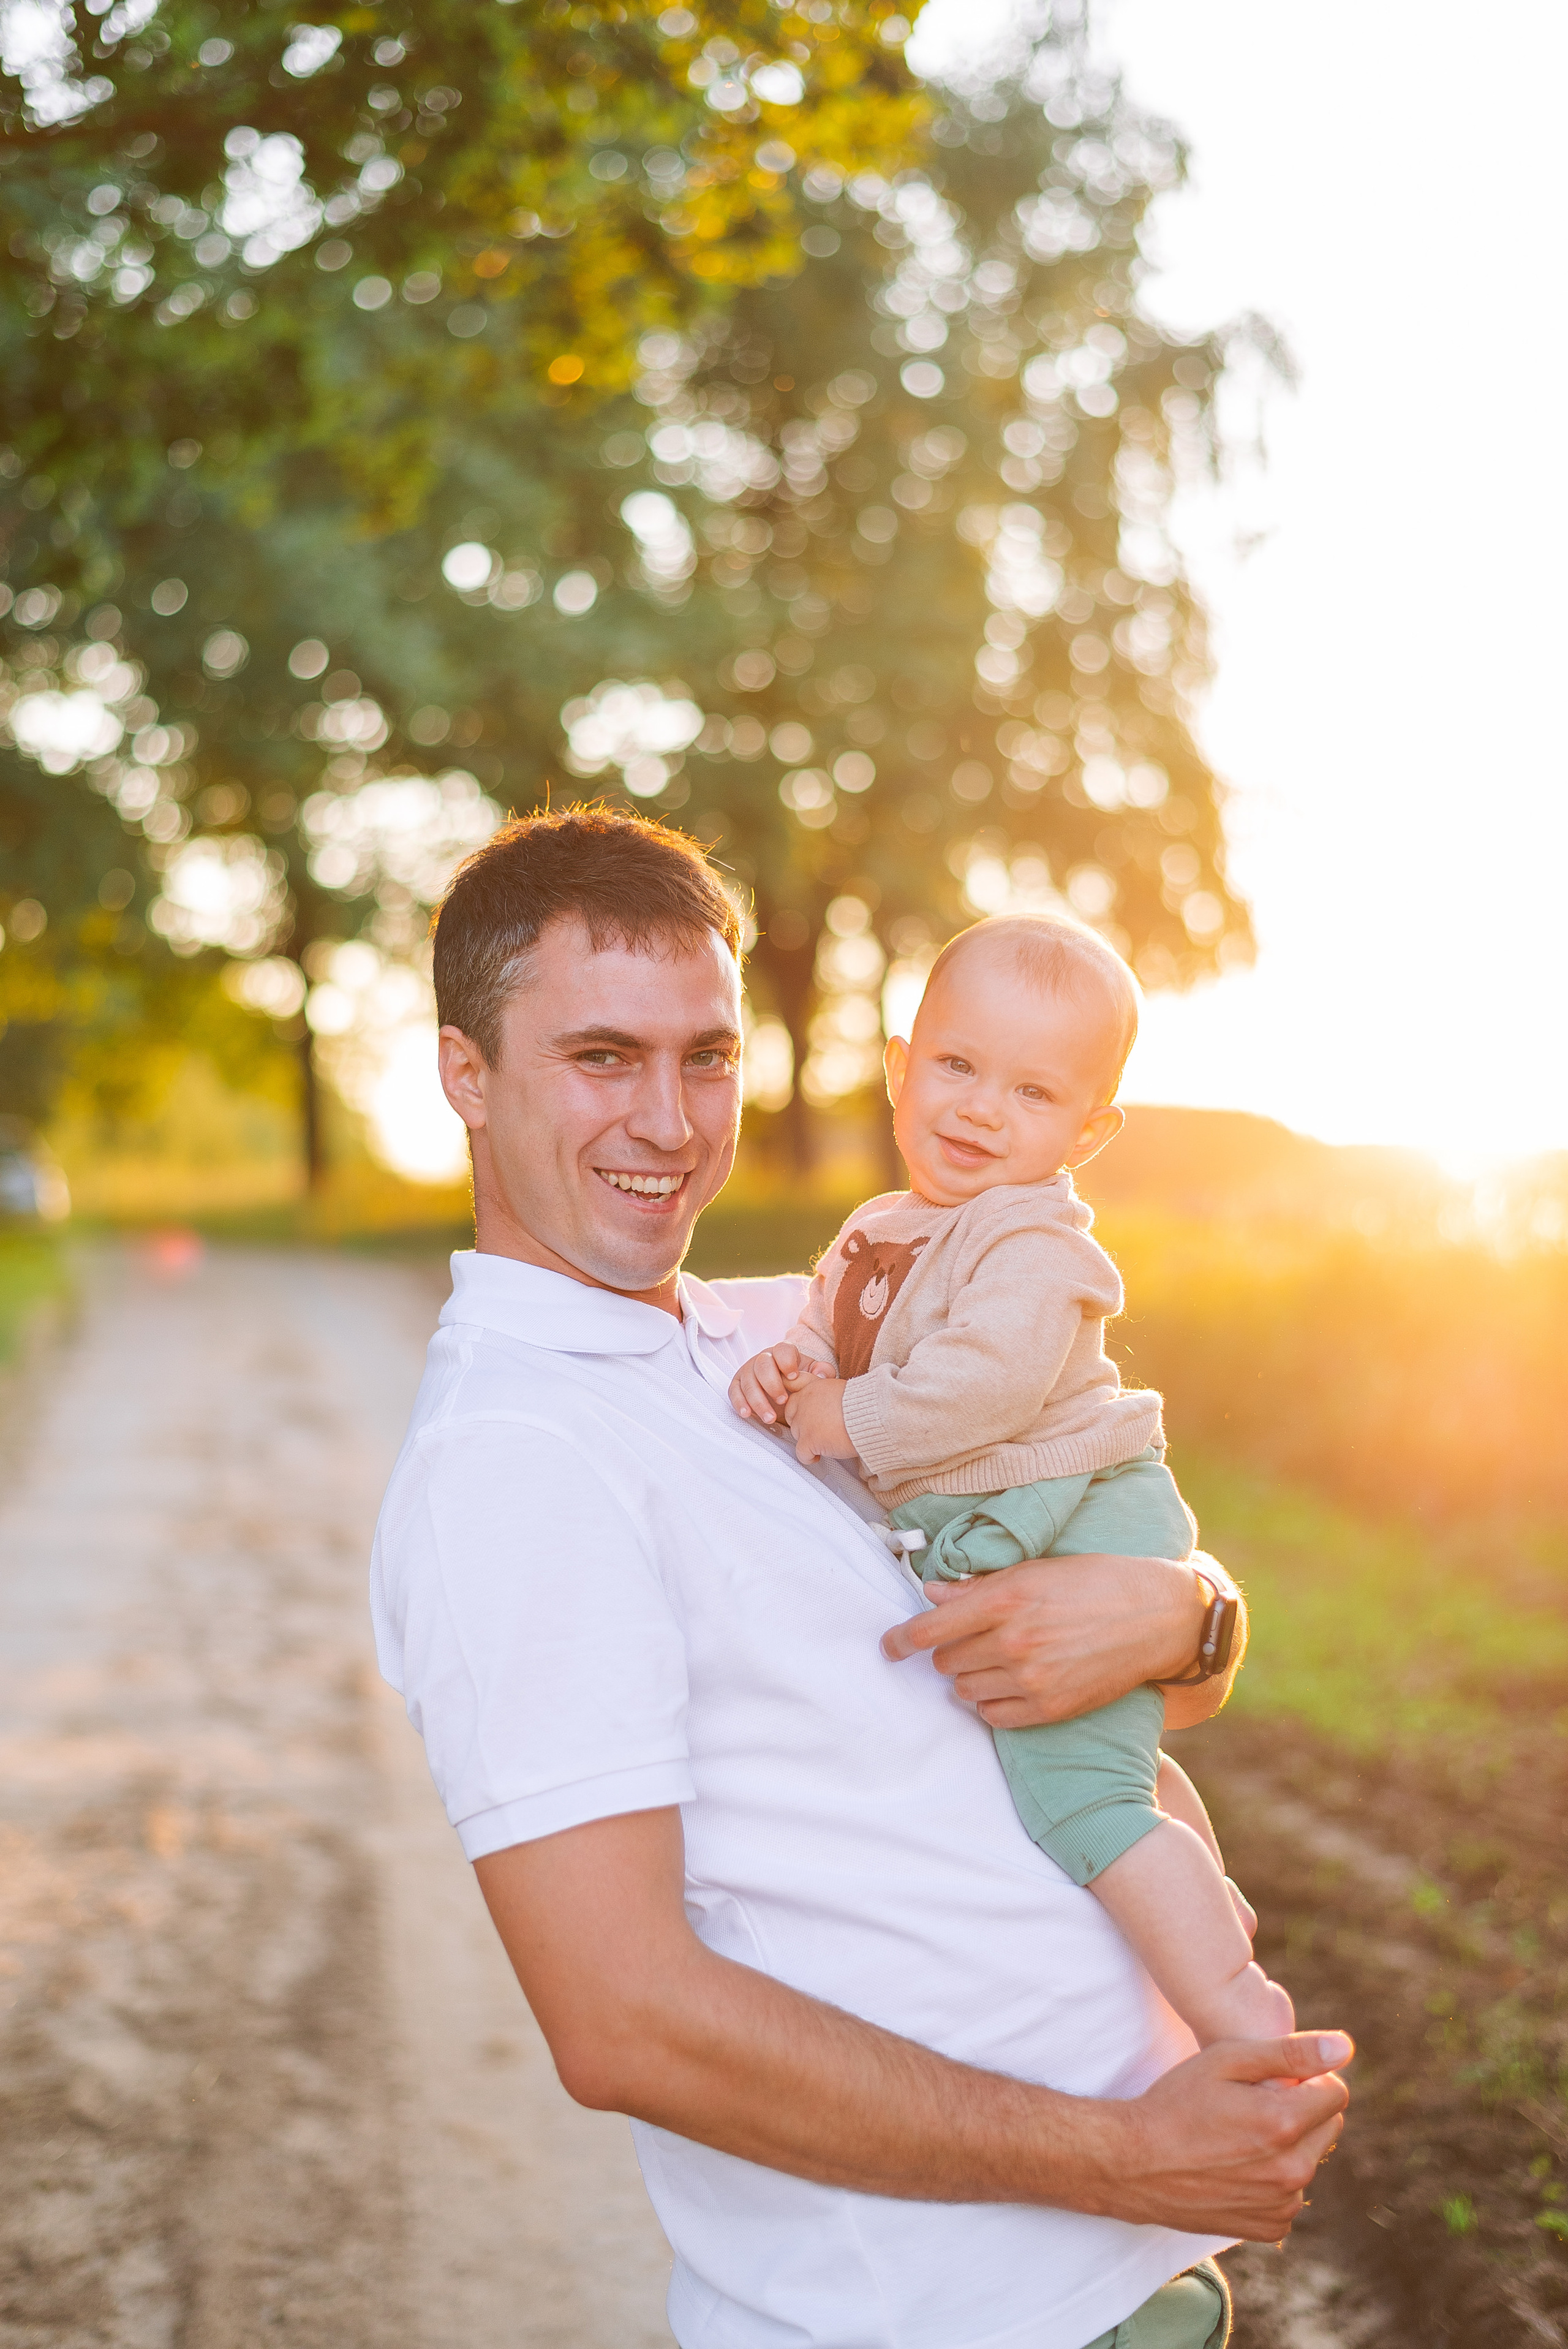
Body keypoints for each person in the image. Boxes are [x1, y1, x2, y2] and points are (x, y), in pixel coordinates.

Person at [370, 808, 1351, 2349]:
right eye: (602, 1057)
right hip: (929, 2314)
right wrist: (1124, 2156)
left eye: (705, 1056)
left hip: (1119, 2276)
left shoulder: (772, 1330)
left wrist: (1182, 1609)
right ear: (464, 1074)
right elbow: (621, 2020)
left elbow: (1158, 1619)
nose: (671, 1119)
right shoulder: (514, 1459)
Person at [728, 913, 1293, 2050]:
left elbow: (975, 1388)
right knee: (1109, 1760)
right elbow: (834, 1337)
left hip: (1077, 1503)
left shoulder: (1035, 1244)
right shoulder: (880, 1227)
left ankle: (1241, 2017)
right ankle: (1210, 1915)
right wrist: (792, 1365)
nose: (984, 1108)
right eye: (957, 1066)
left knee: (1074, 1794)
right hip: (1024, 1507)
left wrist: (841, 1414)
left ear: (1089, 1132)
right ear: (899, 1068)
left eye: (1034, 1094)